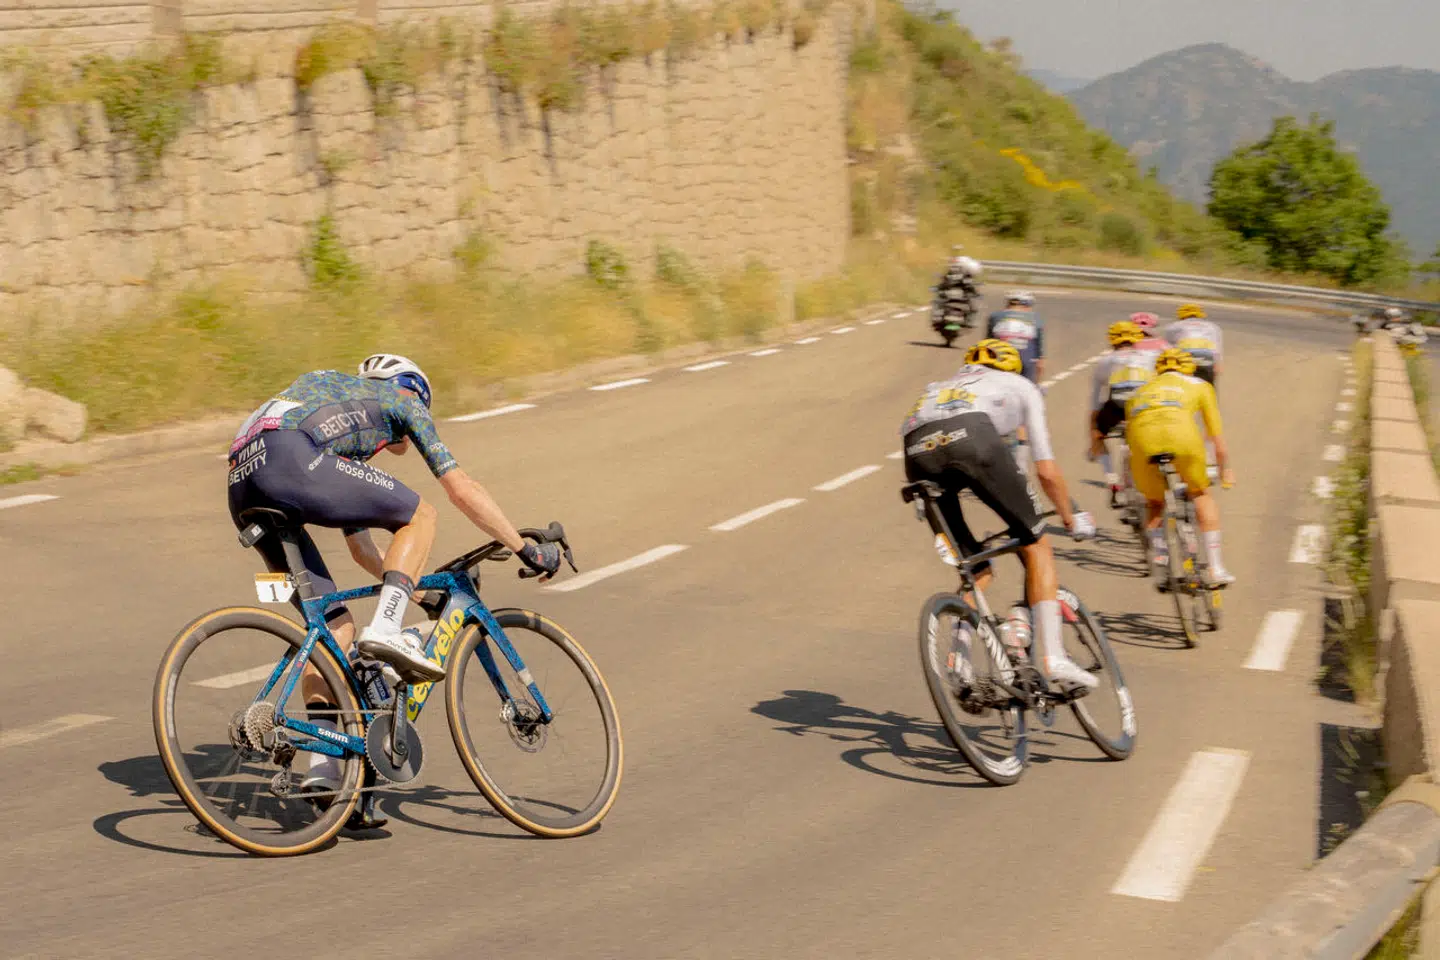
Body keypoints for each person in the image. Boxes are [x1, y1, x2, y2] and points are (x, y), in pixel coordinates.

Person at [227, 354, 566, 805]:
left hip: (242, 479)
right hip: (290, 456)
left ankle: (324, 769)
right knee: (421, 515)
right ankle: (387, 629)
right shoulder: (401, 400)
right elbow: (461, 488)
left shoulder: (340, 420)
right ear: (413, 390)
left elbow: (362, 550)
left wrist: (421, 593)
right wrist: (525, 549)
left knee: (333, 630)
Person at [901, 338, 1099, 692]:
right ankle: (1053, 658)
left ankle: (959, 661)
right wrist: (1070, 516)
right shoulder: (1020, 385)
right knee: (1037, 544)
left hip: (916, 452)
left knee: (974, 568)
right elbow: (1046, 470)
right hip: (972, 439)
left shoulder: (938, 387)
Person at [1124, 348, 1236, 587]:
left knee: (1155, 503)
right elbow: (1216, 437)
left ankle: (1161, 563)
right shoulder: (1200, 385)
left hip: (1143, 444)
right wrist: (1224, 469)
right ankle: (1215, 568)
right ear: (1190, 369)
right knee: (1200, 494)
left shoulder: (1139, 392)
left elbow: (1129, 440)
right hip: (1182, 439)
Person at [1088, 320, 1158, 511]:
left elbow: (1095, 400)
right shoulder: (1150, 357)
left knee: (1099, 434)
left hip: (1116, 410)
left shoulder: (1105, 361)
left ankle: (1113, 482)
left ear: (1112, 340)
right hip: (1143, 408)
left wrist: (1094, 431)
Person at [986, 290, 1046, 384]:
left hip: (999, 360)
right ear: (1027, 305)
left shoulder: (995, 316)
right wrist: (1038, 384)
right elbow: (1040, 360)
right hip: (1025, 362)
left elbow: (986, 344)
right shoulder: (1035, 318)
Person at [1159, 304, 1223, 390]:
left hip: (1185, 359)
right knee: (1208, 387)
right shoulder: (1212, 327)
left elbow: (1167, 348)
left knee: (1181, 386)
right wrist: (1217, 364)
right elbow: (1216, 347)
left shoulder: (1174, 326)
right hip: (1206, 358)